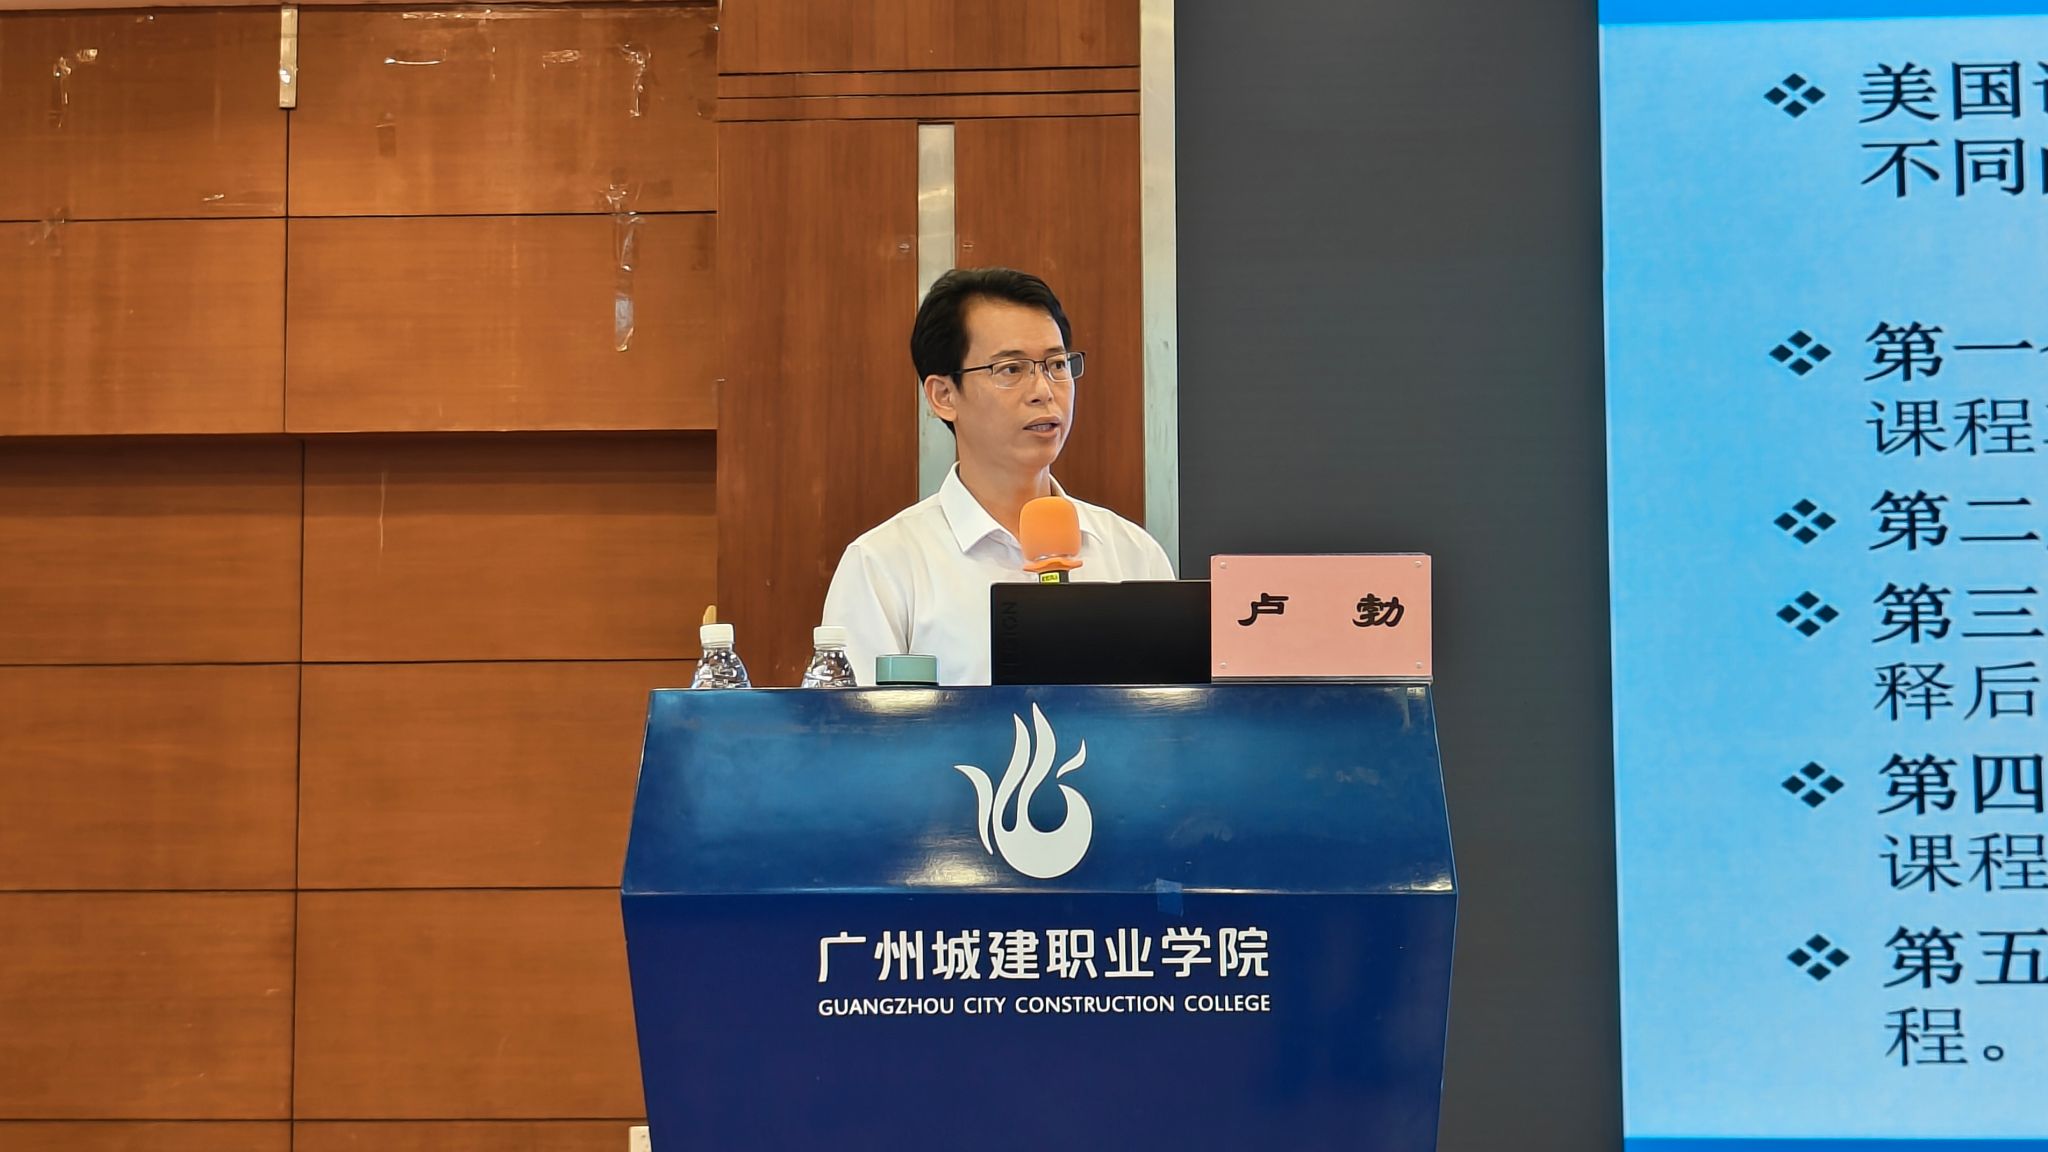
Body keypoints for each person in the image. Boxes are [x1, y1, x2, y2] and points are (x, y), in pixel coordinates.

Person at [821, 267, 1175, 685]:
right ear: (944, 395)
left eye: (1056, 365)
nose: (1043, 390)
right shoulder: (884, 565)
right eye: (1011, 369)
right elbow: (855, 724)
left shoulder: (1133, 555)